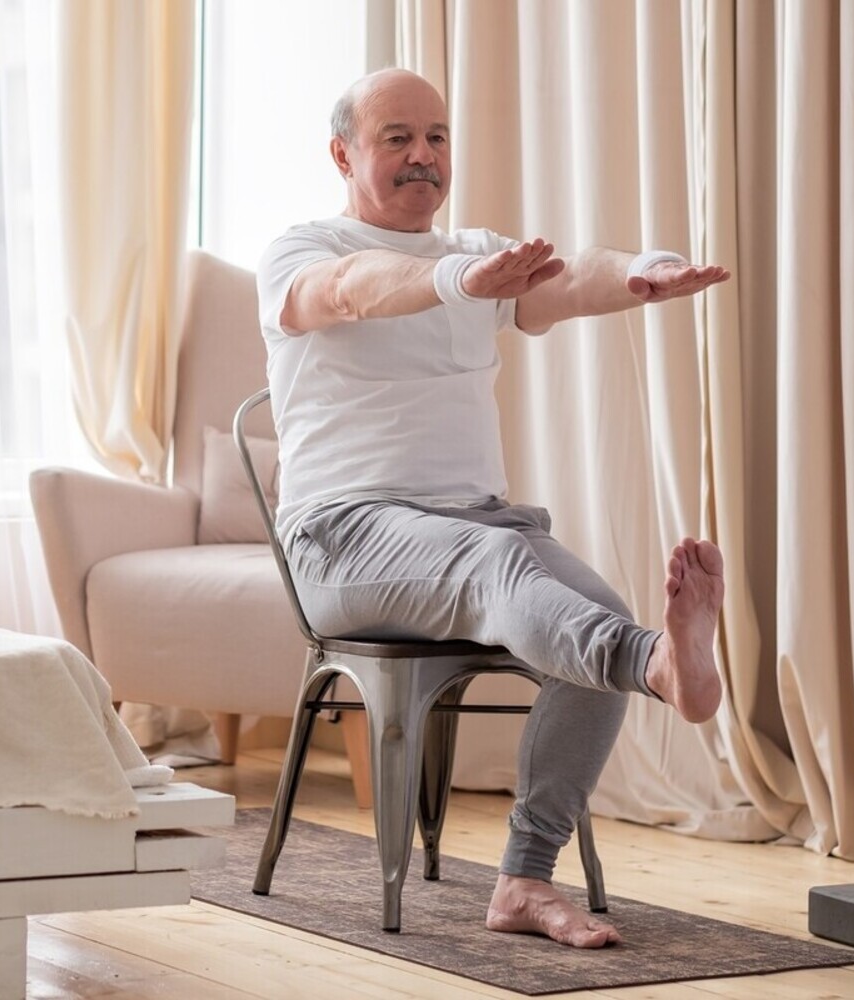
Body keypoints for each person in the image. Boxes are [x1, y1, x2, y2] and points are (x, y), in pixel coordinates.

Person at [255, 68, 731, 949]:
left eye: (436, 137)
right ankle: (654, 662)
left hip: (473, 524)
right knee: (514, 579)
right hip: (343, 539)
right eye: (396, 137)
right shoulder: (303, 249)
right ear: (343, 153)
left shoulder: (474, 248)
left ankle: (522, 881)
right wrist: (463, 280)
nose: (422, 155)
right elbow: (355, 289)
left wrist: (638, 271)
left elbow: (566, 276)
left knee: (586, 618)